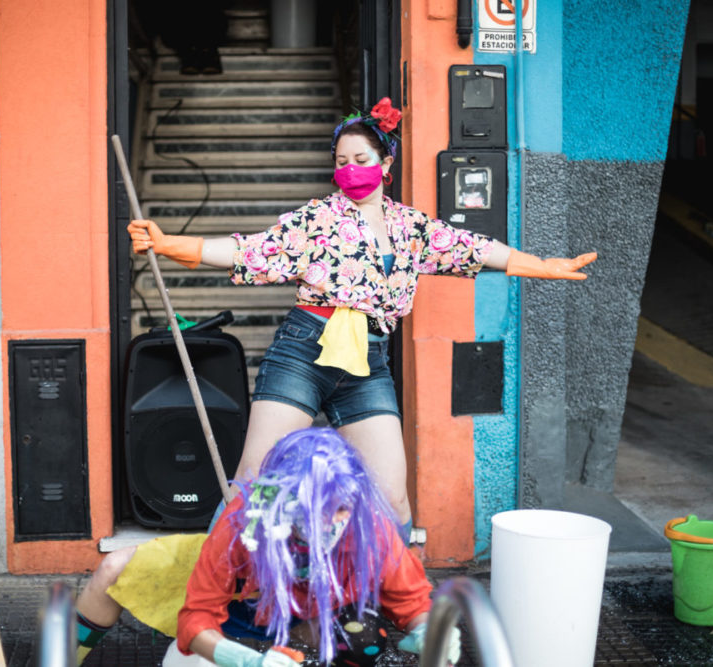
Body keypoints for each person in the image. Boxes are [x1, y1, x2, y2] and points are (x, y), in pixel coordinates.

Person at [127, 97, 597, 534]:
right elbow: (248, 250)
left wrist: (544, 266)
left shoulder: (411, 227)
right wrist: (169, 244)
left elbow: (475, 248)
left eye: (362, 160)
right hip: (304, 353)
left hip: (368, 365)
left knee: (393, 502)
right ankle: (208, 605)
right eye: (341, 161)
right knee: (254, 485)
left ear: (386, 165)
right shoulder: (316, 219)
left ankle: (387, 612)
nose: (349, 170)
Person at [74, 428, 460, 666]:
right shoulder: (243, 523)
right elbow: (197, 618)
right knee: (122, 580)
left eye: (338, 507)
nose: (328, 521)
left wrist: (430, 631)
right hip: (239, 620)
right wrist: (237, 659)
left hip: (317, 623)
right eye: (312, 509)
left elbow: (411, 603)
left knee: (364, 641)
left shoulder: (368, 525)